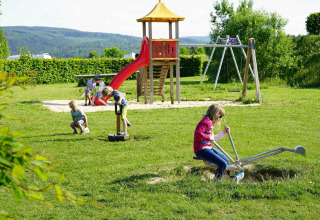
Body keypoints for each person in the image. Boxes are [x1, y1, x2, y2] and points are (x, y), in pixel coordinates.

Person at [193, 104, 244, 182]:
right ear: (215, 115)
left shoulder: (209, 123)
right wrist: (209, 137)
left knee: (226, 160)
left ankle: (232, 179)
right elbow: (198, 133)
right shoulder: (206, 122)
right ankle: (215, 183)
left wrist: (223, 132)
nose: (220, 119)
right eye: (220, 116)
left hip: (208, 148)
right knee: (223, 164)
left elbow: (213, 139)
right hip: (201, 150)